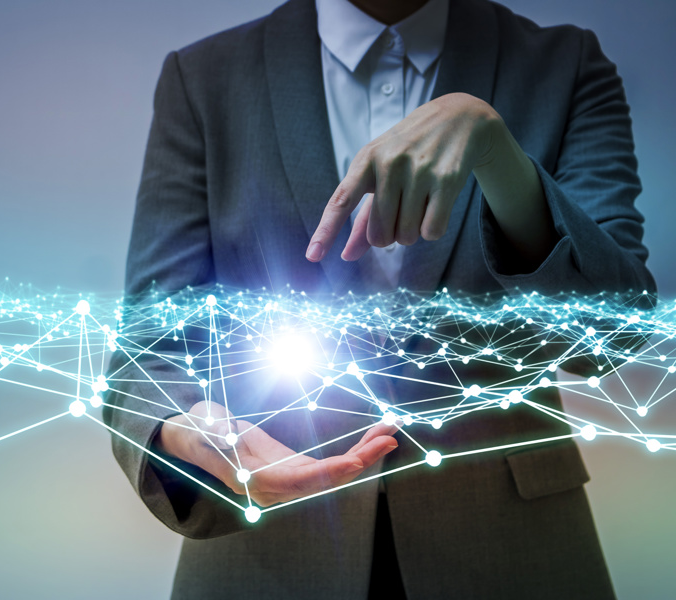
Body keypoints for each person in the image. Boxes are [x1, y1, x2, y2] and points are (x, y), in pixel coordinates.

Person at [103, 0, 655, 597]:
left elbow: (614, 334)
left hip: (508, 546)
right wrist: (191, 425)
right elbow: (150, 347)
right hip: (266, 550)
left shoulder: (564, 64)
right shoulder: (205, 77)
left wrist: (500, 158)